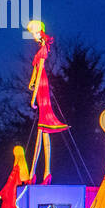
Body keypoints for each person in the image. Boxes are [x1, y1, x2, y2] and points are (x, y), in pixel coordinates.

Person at [26, 19, 69, 183]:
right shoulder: (39, 50)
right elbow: (35, 71)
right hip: (39, 84)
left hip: (42, 87)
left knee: (42, 130)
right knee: (41, 132)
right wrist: (31, 81)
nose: (34, 36)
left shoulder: (43, 49)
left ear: (40, 32)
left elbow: (40, 72)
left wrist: (33, 96)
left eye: (35, 33)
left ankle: (38, 173)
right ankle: (41, 173)